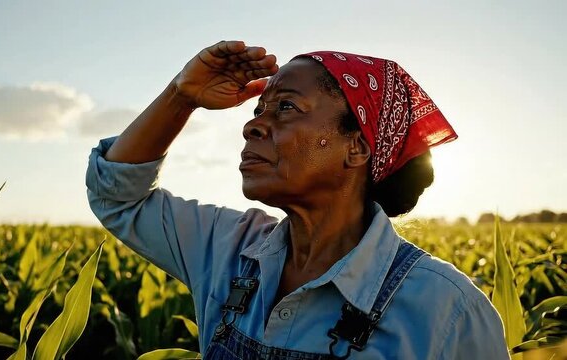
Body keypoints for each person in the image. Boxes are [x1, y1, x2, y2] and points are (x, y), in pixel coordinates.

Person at [86, 40, 509, 359]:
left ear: (357, 148)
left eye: (286, 107)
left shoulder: (447, 309)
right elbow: (119, 197)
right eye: (257, 111)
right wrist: (181, 95)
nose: (253, 127)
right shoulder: (228, 246)